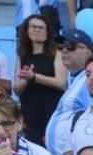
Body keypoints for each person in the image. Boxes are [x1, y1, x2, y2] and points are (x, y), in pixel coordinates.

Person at [13, 14, 66, 145]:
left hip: (51, 111)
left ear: (48, 32)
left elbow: (60, 83)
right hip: (29, 114)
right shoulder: (22, 56)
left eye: (41, 28)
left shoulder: (56, 53)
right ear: (27, 31)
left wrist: (34, 77)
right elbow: (16, 89)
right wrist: (26, 79)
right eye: (34, 27)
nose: (37, 30)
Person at [44, 28, 93, 154]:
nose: (65, 50)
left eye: (71, 46)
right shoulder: (75, 80)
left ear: (88, 52)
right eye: (62, 47)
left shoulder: (90, 80)